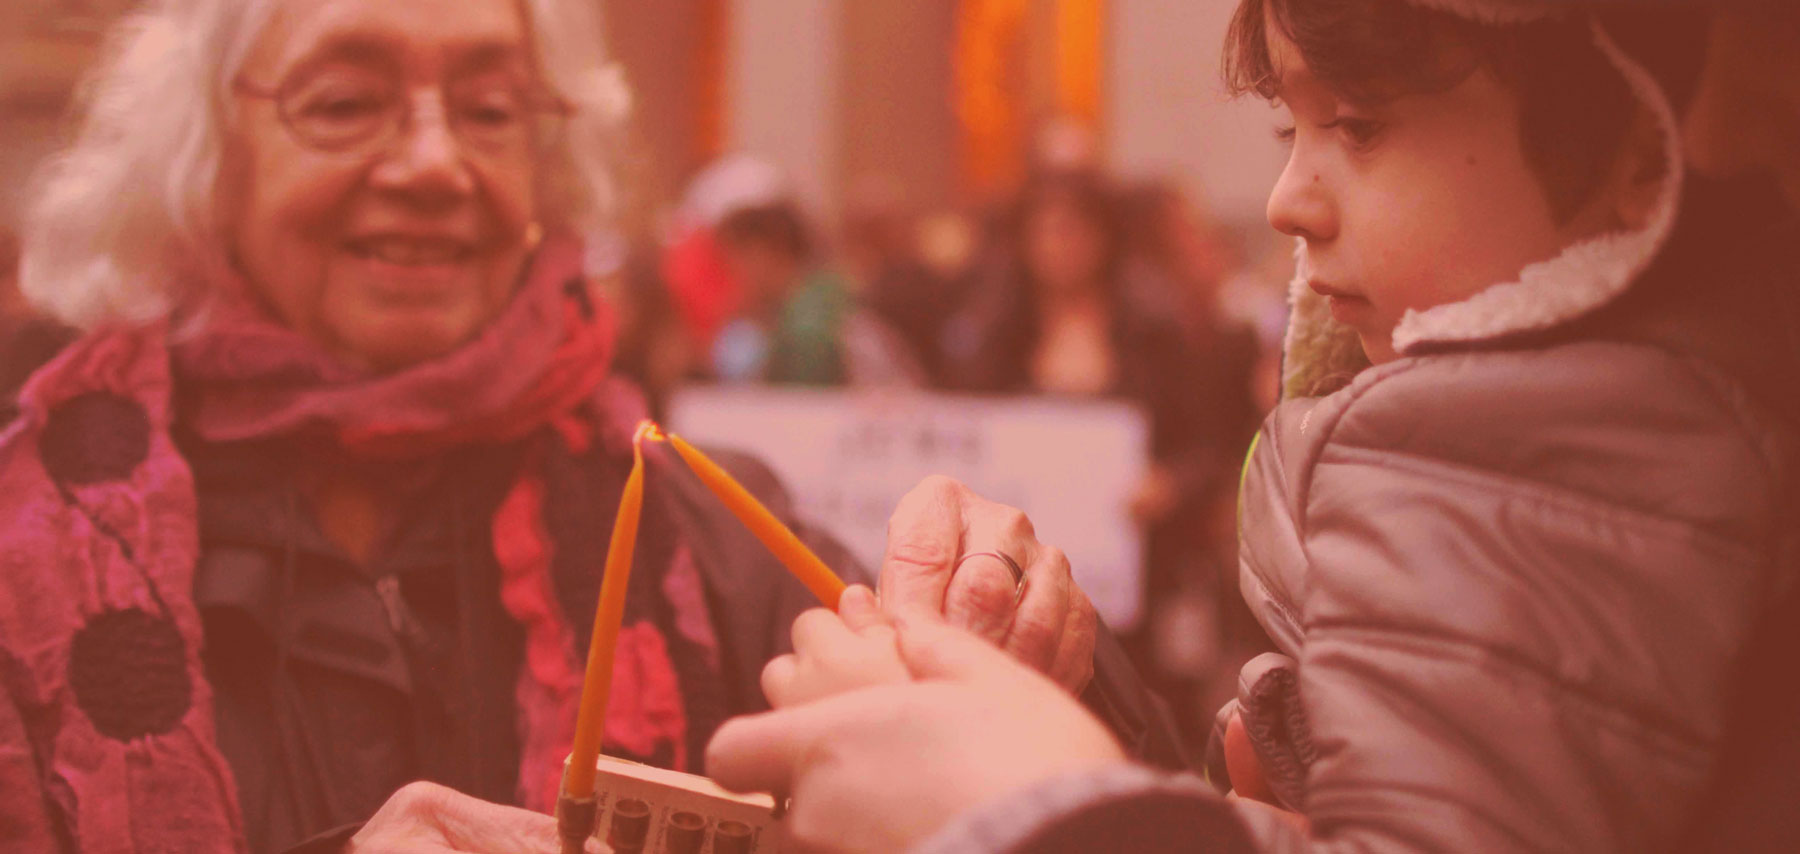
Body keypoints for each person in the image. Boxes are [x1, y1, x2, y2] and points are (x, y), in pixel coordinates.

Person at [0, 2, 1118, 853]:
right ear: (203, 160)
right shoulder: (28, 539)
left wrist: (1034, 661)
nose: (437, 163)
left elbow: (1043, 786)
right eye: (342, 103)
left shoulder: (698, 524)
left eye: (490, 110)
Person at [704, 1, 1799, 852]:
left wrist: (1040, 803)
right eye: (1292, 123)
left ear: (1632, 154)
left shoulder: (1532, 447)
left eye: (1359, 123)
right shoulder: (1563, 442)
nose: (1284, 198)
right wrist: (1066, 703)